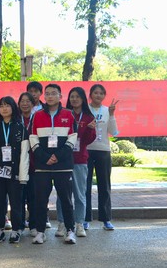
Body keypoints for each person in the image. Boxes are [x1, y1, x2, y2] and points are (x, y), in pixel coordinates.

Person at [29, 83, 78, 245]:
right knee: (40, 200)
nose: (50, 96)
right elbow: (33, 138)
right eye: (47, 93)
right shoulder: (37, 116)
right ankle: (40, 232)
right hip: (42, 165)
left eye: (53, 93)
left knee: (66, 199)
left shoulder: (69, 114)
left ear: (60, 96)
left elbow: (73, 138)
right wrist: (45, 157)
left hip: (63, 165)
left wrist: (57, 156)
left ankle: (70, 230)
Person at [0, 96, 30, 243]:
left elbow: (24, 154)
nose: (4, 109)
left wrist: (23, 175)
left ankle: (16, 230)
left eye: (7, 105)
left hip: (14, 172)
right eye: (1, 106)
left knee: (16, 202)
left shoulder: (20, 128)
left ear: (13, 108)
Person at [56, 87, 96, 238]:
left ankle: (79, 223)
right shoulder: (64, 114)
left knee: (80, 194)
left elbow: (88, 140)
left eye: (78, 97)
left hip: (80, 160)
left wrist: (89, 129)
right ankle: (62, 223)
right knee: (62, 194)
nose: (74, 99)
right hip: (64, 160)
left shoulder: (88, 116)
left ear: (83, 99)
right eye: (72, 96)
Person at [85, 84, 120, 231]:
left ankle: (106, 219)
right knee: (85, 186)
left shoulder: (107, 110)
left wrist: (111, 115)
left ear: (104, 96)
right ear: (90, 95)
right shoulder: (85, 109)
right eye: (95, 93)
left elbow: (114, 131)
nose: (98, 95)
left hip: (103, 150)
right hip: (86, 150)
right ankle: (85, 218)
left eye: (101, 93)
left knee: (104, 186)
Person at [18, 92, 37, 234]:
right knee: (19, 196)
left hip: (35, 162)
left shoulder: (37, 118)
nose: (25, 104)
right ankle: (19, 225)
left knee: (34, 196)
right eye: (22, 101)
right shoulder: (15, 119)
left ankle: (33, 224)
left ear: (33, 104)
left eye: (28, 101)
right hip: (19, 163)